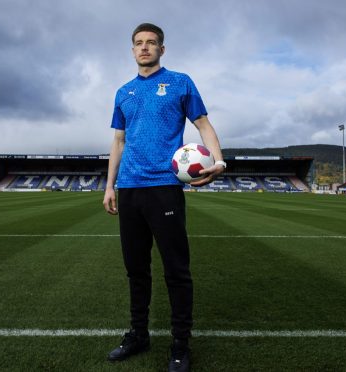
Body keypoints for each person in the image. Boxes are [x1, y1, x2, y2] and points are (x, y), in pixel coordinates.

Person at [102, 23, 226, 372]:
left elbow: (202, 124)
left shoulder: (180, 82)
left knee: (176, 269)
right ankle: (138, 334)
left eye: (151, 43)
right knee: (136, 269)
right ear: (132, 50)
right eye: (139, 43)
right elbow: (118, 141)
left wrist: (218, 162)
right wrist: (110, 186)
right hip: (129, 189)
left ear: (162, 49)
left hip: (164, 187)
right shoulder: (123, 92)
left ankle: (180, 344)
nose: (144, 48)